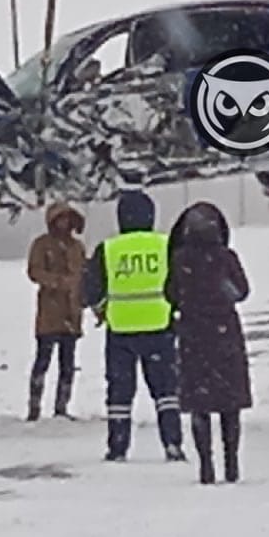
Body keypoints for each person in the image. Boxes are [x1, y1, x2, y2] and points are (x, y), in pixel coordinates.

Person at [81, 188, 187, 462]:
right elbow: (181, 284)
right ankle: (172, 443)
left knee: (119, 394)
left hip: (121, 331)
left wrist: (101, 308)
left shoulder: (109, 249)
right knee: (166, 392)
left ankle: (118, 447)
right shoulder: (167, 246)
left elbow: (90, 291)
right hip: (160, 328)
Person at [167, 201, 252, 485]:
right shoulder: (226, 257)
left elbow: (170, 294)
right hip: (225, 332)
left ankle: (206, 465)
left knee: (199, 405)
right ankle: (232, 462)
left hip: (193, 334)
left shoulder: (180, 259)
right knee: (230, 405)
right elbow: (242, 291)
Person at [25, 200, 86, 421]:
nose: (65, 222)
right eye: (61, 218)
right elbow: (34, 271)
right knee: (43, 361)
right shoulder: (42, 245)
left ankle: (62, 408)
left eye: (68, 218)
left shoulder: (77, 247)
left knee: (68, 365)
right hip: (50, 314)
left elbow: (83, 275)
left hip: (72, 312)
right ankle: (34, 407)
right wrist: (59, 282)